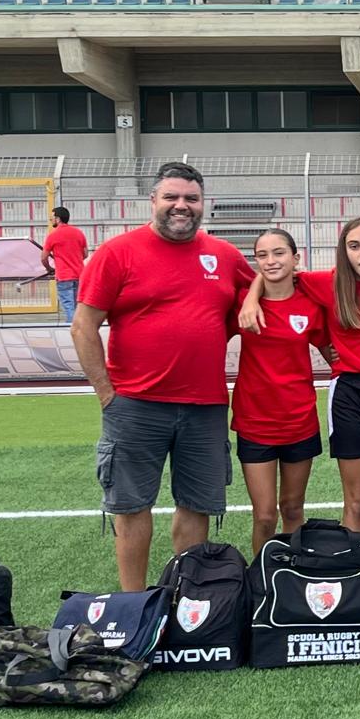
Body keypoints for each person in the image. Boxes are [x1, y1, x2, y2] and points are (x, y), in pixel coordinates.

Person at [72, 161, 254, 591]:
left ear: (202, 204)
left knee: (196, 505)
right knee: (131, 506)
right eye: (171, 197)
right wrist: (106, 394)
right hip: (134, 405)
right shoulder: (117, 253)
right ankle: (132, 604)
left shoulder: (224, 256)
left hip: (205, 404)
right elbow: (83, 326)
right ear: (152, 200)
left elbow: (270, 288)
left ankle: (185, 599)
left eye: (191, 198)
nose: (181, 206)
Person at [241, 218, 360, 548]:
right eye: (354, 246)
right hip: (349, 395)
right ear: (343, 252)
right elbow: (276, 271)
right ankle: (357, 574)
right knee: (357, 500)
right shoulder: (326, 283)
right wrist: (251, 299)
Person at [231, 228, 332, 556]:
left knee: (292, 509)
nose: (271, 260)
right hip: (254, 423)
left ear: (295, 258)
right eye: (263, 255)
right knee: (263, 516)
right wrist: (251, 294)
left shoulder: (311, 303)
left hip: (299, 421)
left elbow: (334, 351)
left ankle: (291, 574)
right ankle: (262, 581)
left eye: (279, 253)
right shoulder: (244, 303)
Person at [42, 206, 88, 323]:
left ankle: (72, 330)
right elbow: (85, 254)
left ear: (58, 219)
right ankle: (80, 330)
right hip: (79, 275)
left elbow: (43, 257)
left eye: (51, 217)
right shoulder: (78, 233)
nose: (50, 220)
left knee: (68, 306)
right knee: (78, 306)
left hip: (63, 276)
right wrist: (74, 259)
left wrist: (49, 268)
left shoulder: (53, 235)